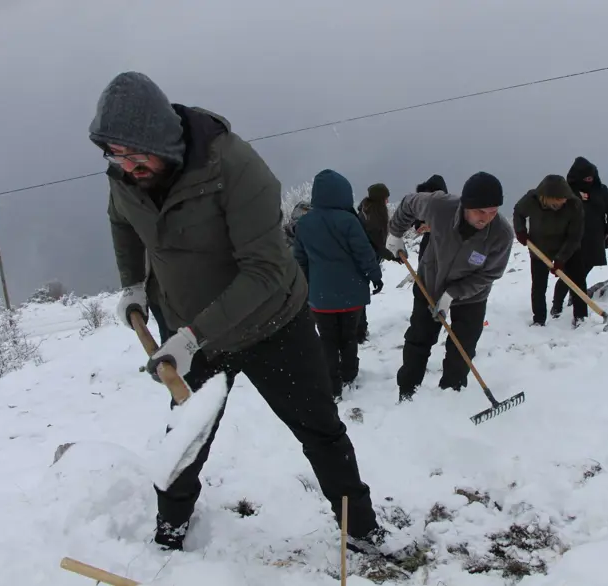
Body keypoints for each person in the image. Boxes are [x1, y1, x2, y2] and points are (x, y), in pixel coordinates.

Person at [90, 71, 388, 557]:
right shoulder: (126, 173)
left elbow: (267, 271)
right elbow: (121, 219)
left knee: (320, 428)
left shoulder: (235, 168)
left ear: (162, 140)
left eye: (134, 154)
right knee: (186, 437)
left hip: (272, 324)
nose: (125, 166)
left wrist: (190, 337)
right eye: (114, 155)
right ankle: (170, 525)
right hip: (191, 328)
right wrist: (132, 285)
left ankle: (360, 526)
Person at [385, 172, 513, 402]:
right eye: (480, 211)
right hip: (431, 283)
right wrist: (395, 233)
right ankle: (407, 393)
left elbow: (490, 273)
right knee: (419, 340)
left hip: (471, 296)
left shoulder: (501, 234)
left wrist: (453, 295)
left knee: (462, 347)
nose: (486, 218)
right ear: (466, 205)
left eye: (492, 211)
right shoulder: (440, 206)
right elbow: (408, 204)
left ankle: (451, 397)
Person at [294, 170, 384, 400]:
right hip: (351, 295)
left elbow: (300, 260)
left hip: (320, 298)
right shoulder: (349, 221)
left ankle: (332, 384)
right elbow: (364, 253)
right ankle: (350, 373)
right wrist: (375, 276)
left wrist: (304, 287)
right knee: (349, 336)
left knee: (327, 340)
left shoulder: (304, 224)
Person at [551, 157, 608, 320]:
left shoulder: (600, 190)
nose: (589, 180)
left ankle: (575, 298)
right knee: (567, 274)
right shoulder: (567, 192)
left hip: (594, 239)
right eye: (586, 178)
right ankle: (557, 305)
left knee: (582, 272)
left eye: (591, 177)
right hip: (571, 240)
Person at [513, 175, 585, 326]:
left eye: (563, 199)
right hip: (540, 247)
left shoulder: (574, 205)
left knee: (576, 281)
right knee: (539, 286)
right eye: (558, 199)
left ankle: (580, 317)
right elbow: (518, 212)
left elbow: (575, 236)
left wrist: (561, 258)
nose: (562, 202)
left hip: (567, 247)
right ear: (546, 197)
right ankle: (539, 319)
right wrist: (520, 230)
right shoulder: (532, 200)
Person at [355, 182, 393, 343]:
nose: (387, 202)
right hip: (363, 259)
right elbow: (374, 244)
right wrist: (390, 256)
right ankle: (359, 332)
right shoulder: (373, 216)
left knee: (359, 293)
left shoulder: (367, 211)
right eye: (386, 198)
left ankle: (360, 330)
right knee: (359, 294)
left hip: (364, 259)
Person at [411, 174, 448, 261]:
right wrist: (420, 225)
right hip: (426, 247)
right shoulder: (424, 206)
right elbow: (416, 220)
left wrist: (433, 228)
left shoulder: (450, 208)